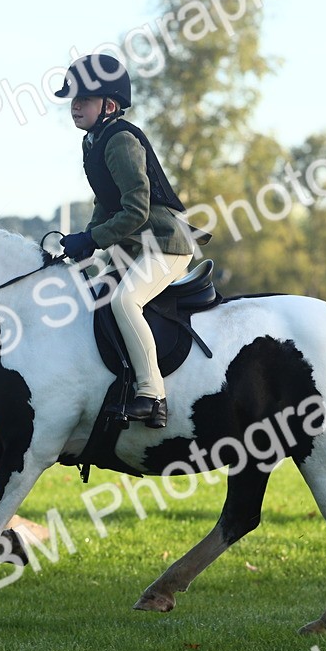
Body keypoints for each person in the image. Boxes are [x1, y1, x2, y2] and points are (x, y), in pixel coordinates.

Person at [53, 53, 197, 428]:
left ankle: (153, 396)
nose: (75, 106)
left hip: (165, 244)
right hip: (135, 247)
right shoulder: (94, 141)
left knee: (124, 300)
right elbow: (106, 201)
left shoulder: (120, 140)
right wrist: (86, 240)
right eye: (74, 99)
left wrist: (93, 238)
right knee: (94, 298)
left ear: (110, 106)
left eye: (85, 99)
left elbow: (136, 211)